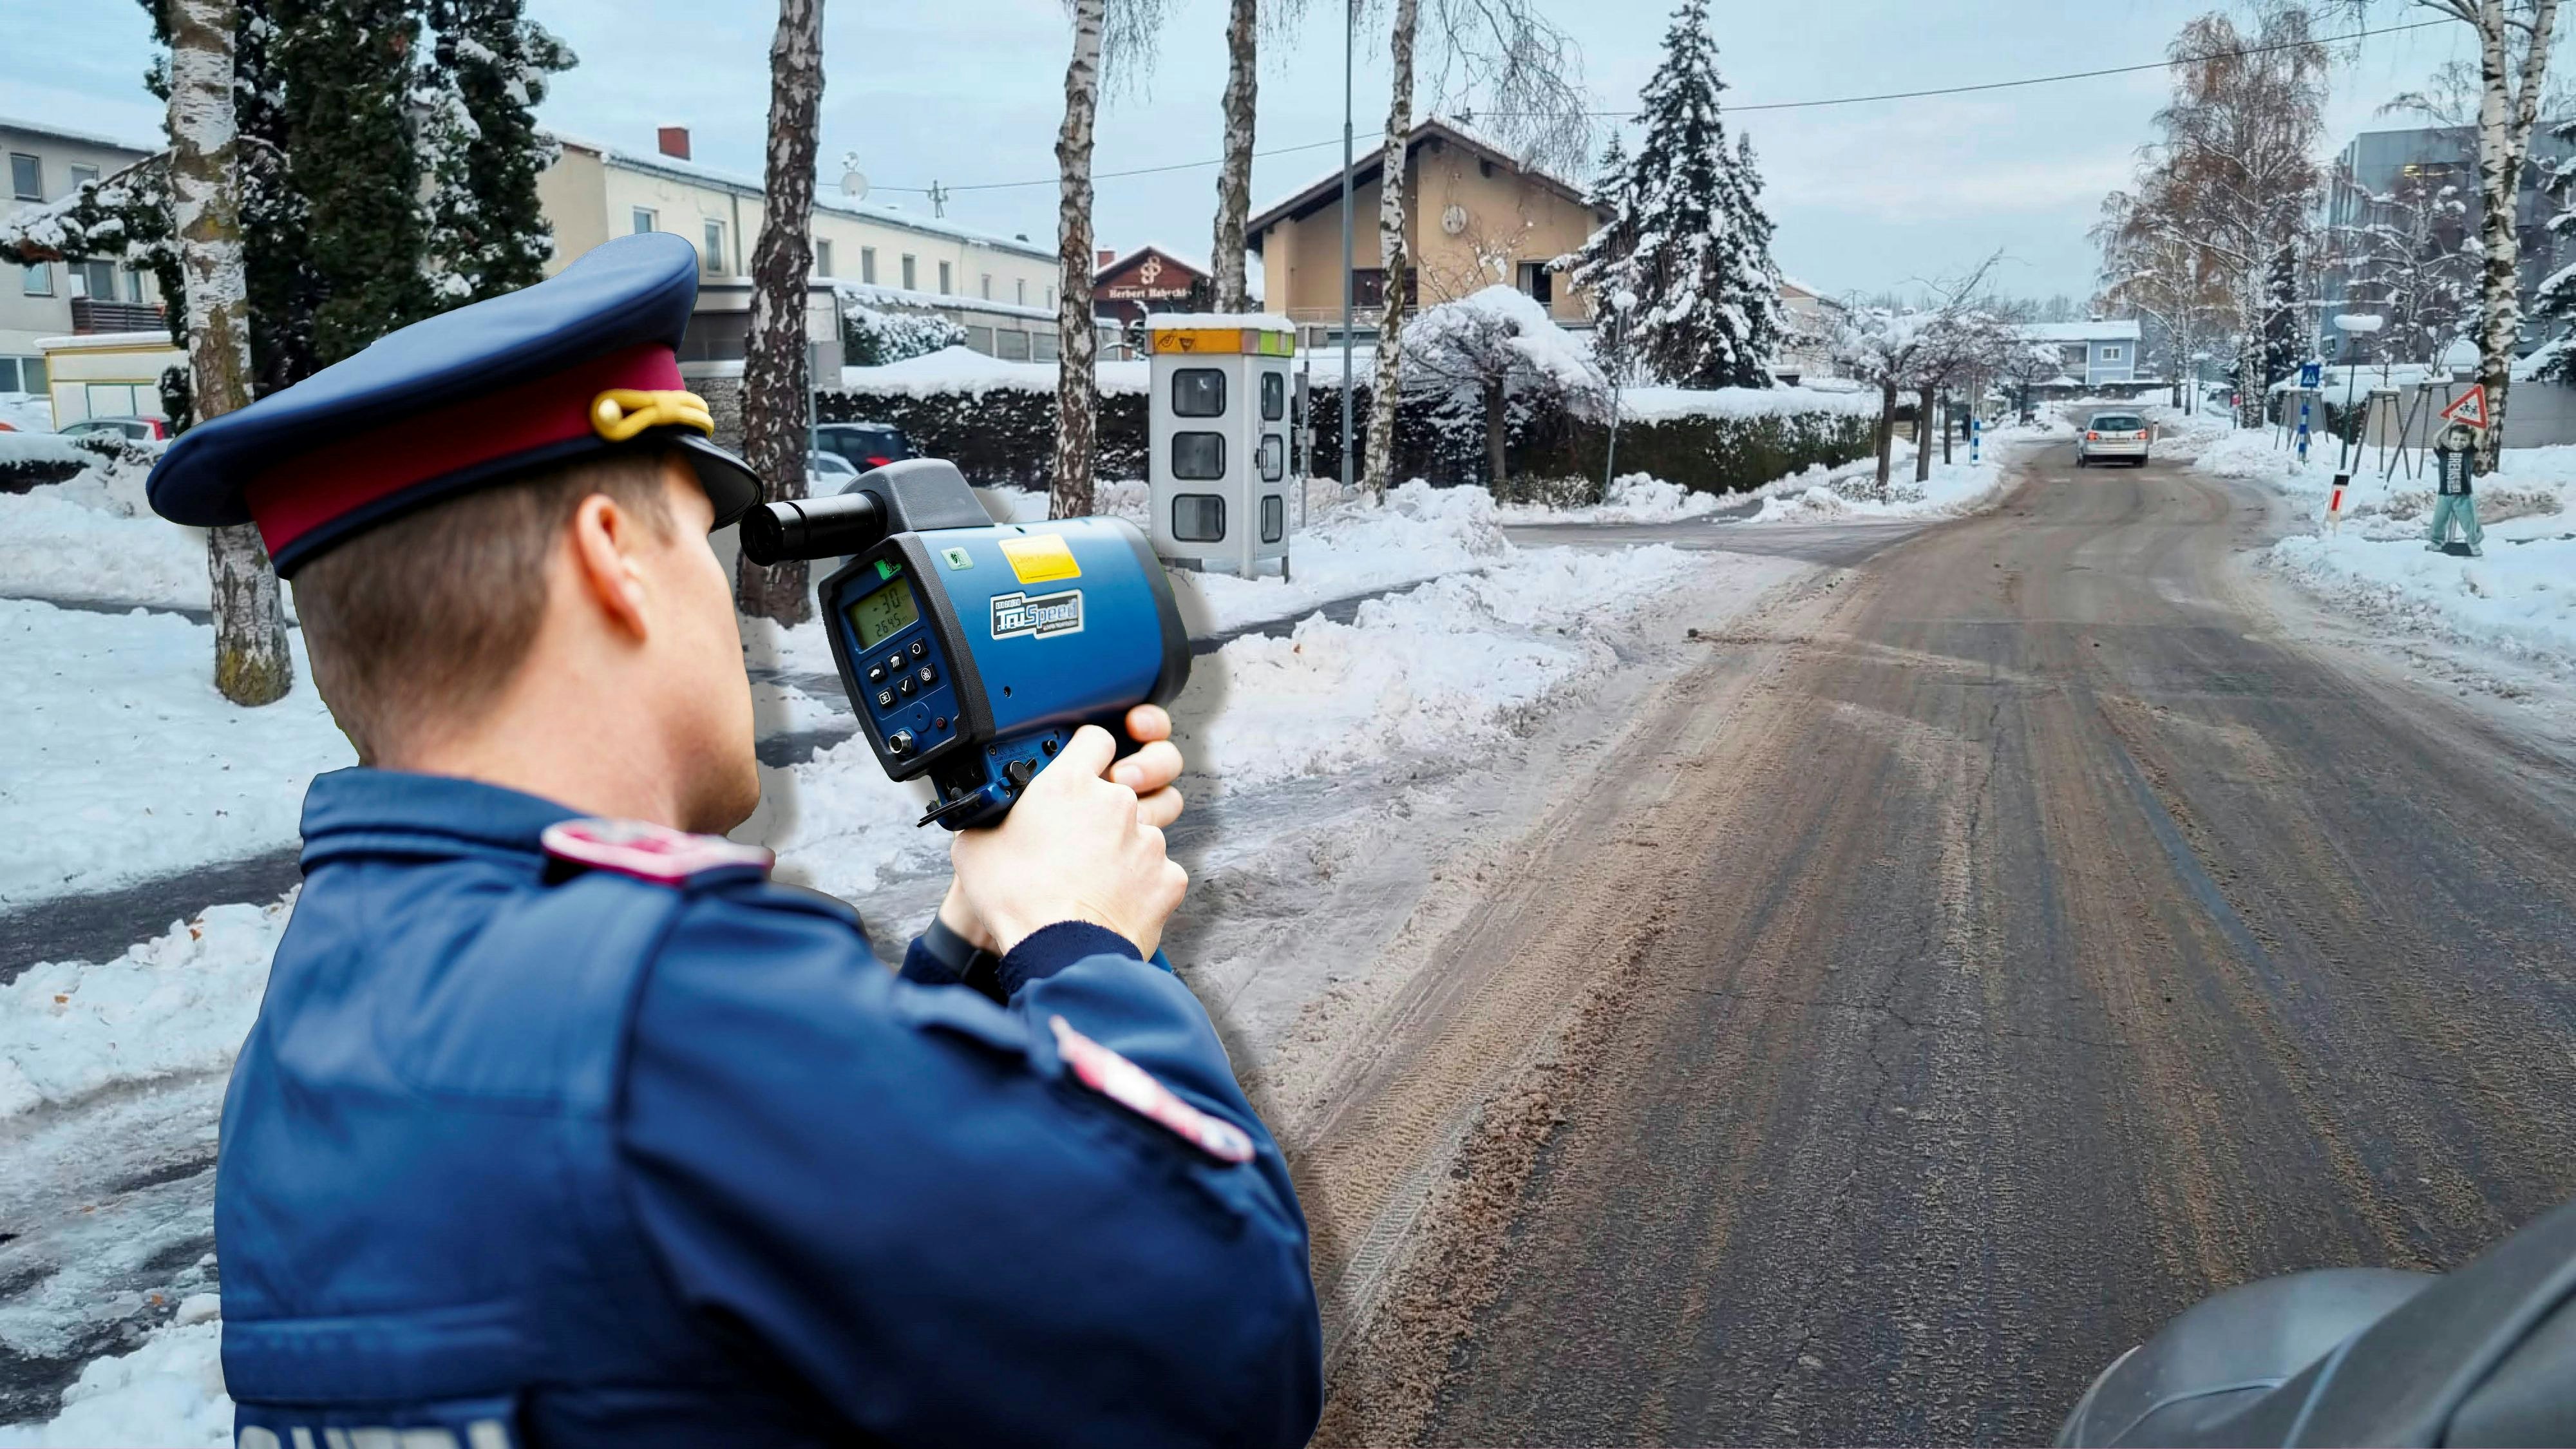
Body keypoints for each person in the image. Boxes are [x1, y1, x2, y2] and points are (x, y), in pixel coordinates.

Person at [146, 232, 1323, 1449]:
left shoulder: (324, 1006)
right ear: (614, 559)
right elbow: (1222, 1352)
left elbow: (753, 1262)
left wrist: (967, 954)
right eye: (703, 548)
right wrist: (1087, 953)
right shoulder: (665, 1010)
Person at [2428, 420, 2486, 556]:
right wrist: (2450, 423)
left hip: (2464, 495)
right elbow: (2436, 438)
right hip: (2445, 494)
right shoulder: (2443, 452)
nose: (2458, 442)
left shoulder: (2469, 452)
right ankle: (2436, 542)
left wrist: (2475, 422)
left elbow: (2480, 435)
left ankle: (2474, 544)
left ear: (2468, 441)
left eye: (2463, 439)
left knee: (2470, 521)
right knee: (2439, 520)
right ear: (2450, 440)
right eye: (2455, 439)